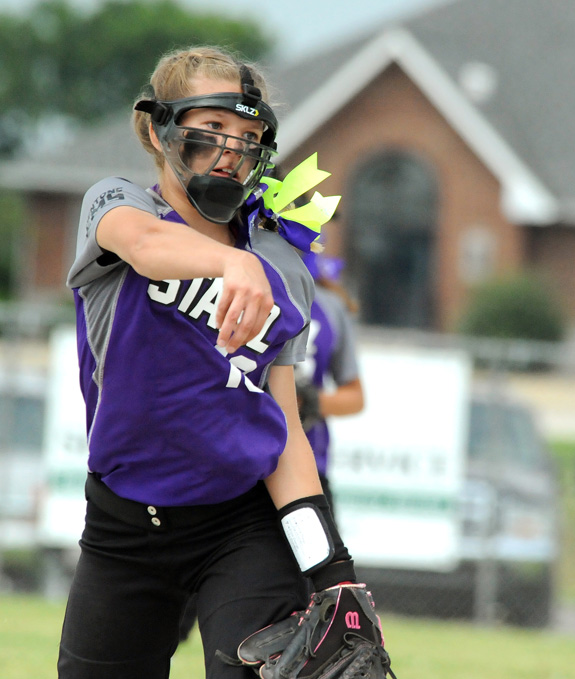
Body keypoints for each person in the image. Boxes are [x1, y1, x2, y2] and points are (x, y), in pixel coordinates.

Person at [59, 46, 392, 679]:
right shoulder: (117, 206)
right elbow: (147, 246)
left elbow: (283, 429)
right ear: (159, 130)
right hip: (123, 522)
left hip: (240, 523)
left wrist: (334, 573)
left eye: (247, 135)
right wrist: (233, 263)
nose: (230, 148)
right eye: (210, 129)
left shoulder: (282, 261)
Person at [296, 252, 365, 510]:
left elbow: (355, 398)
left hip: (309, 466)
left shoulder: (329, 304)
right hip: (244, 464)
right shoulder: (246, 278)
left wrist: (309, 401)